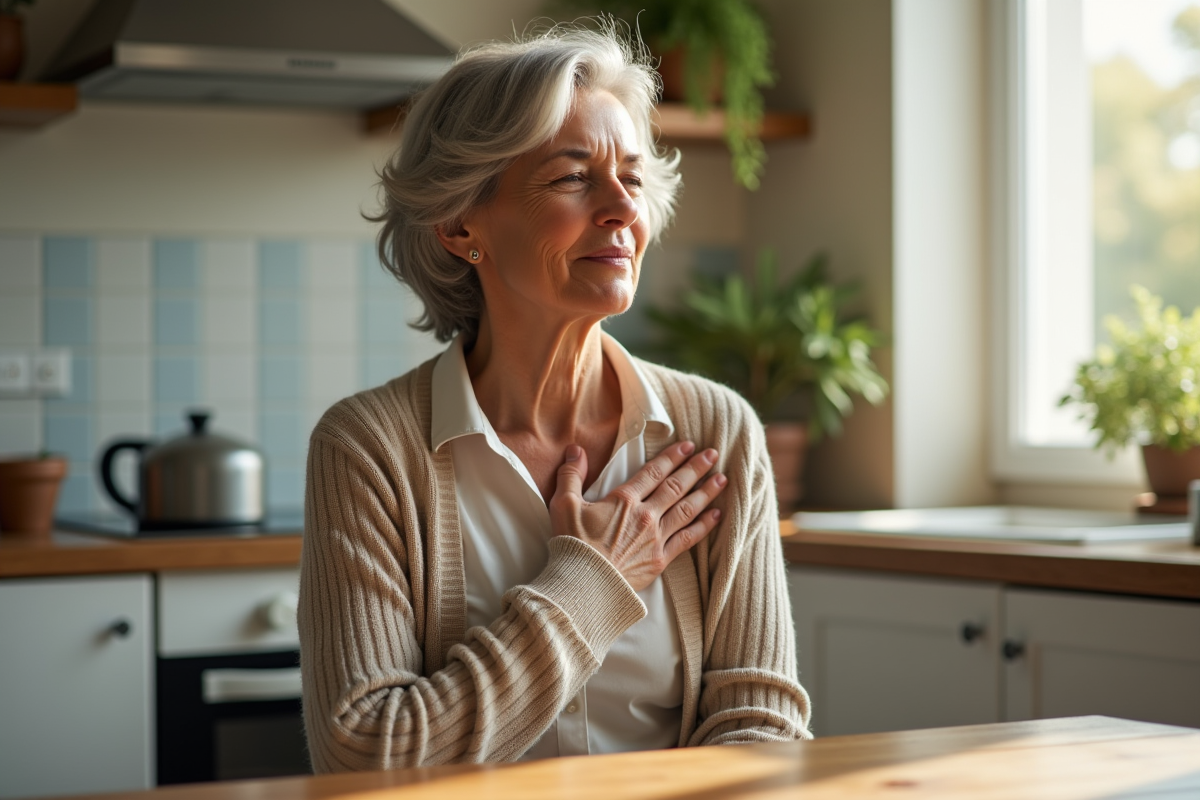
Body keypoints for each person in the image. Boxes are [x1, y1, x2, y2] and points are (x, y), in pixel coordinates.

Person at [298, 23, 811, 773]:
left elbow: (760, 721)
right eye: (573, 177)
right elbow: (366, 756)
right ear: (458, 223)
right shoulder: (368, 448)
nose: (620, 209)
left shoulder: (715, 430)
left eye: (631, 179)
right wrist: (591, 581)